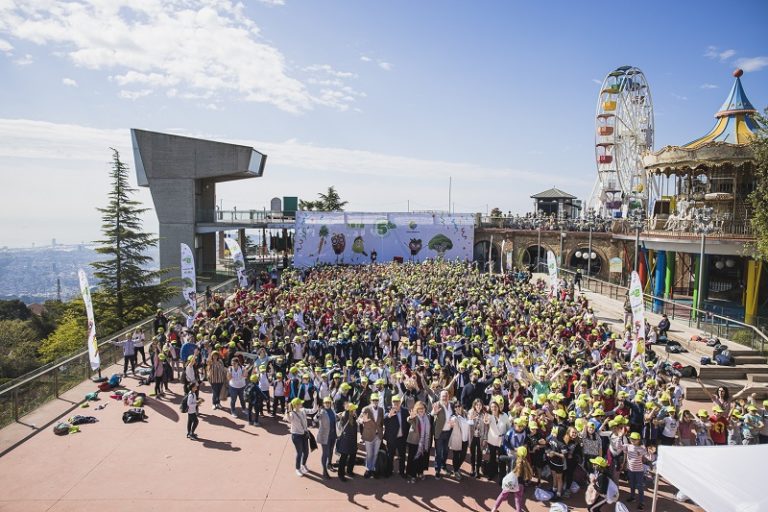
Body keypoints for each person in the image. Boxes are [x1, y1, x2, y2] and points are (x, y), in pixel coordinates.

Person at [490, 445, 534, 512]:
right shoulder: (526, 463)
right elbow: (528, 476)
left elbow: (501, 457)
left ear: (518, 452)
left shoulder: (512, 458)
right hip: (520, 485)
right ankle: (518, 510)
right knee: (518, 499)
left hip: (510, 482)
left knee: (502, 495)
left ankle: (494, 508)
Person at [622, 432, 655, 510]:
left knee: (640, 487)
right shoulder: (627, 446)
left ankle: (641, 502)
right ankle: (632, 497)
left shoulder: (642, 448)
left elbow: (650, 458)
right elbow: (618, 447)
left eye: (635, 439)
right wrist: (620, 436)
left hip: (639, 471)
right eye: (631, 439)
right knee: (632, 485)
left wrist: (650, 453)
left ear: (638, 440)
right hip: (630, 470)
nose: (632, 440)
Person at [359, 392, 385, 478]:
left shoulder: (381, 410)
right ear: (370, 400)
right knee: (369, 454)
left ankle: (373, 469)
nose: (375, 401)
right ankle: (368, 469)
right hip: (369, 435)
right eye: (373, 400)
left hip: (378, 435)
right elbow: (359, 419)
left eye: (376, 400)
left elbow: (381, 422)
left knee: (375, 453)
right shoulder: (365, 409)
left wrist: (382, 430)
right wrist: (363, 421)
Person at [384, 394, 409, 478]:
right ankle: (389, 471)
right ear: (391, 402)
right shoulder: (388, 410)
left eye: (397, 402)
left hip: (402, 438)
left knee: (402, 456)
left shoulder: (405, 411)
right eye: (394, 402)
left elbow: (408, 424)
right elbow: (383, 421)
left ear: (400, 402)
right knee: (390, 456)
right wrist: (388, 416)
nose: (396, 404)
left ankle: (402, 472)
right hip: (391, 439)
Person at [406, 400, 431, 483]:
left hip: (424, 442)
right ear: (416, 409)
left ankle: (420, 472)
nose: (421, 410)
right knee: (413, 459)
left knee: (421, 458)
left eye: (422, 408)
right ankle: (413, 475)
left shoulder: (427, 417)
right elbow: (409, 420)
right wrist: (410, 417)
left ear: (425, 409)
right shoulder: (415, 416)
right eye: (419, 408)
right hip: (414, 441)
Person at [431, 389, 453, 479]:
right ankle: (437, 470)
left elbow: (454, 414)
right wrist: (434, 412)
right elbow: (432, 414)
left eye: (446, 396)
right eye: (443, 396)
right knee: (438, 452)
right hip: (439, 433)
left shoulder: (451, 405)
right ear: (440, 397)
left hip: (448, 432)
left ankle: (443, 465)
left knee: (446, 451)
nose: (445, 397)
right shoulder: (437, 404)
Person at [286, 397, 309, 476]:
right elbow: (289, 419)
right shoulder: (292, 414)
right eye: (300, 403)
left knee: (306, 452)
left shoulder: (302, 411)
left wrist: (315, 399)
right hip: (296, 436)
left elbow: (313, 410)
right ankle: (297, 468)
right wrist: (288, 411)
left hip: (304, 435)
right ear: (296, 405)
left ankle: (303, 465)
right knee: (299, 453)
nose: (302, 404)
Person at [336, 402, 359, 482]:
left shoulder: (352, 416)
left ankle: (349, 471)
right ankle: (341, 474)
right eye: (354, 409)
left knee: (352, 456)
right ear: (351, 410)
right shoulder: (345, 416)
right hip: (346, 441)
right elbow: (343, 415)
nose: (355, 410)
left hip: (352, 440)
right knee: (344, 458)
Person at [316, 395, 337, 479]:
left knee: (331, 450)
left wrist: (339, 416)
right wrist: (317, 414)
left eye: (329, 402)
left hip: (333, 435)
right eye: (326, 403)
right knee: (325, 453)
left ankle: (329, 464)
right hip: (325, 436)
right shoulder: (322, 412)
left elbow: (334, 419)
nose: (328, 404)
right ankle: (324, 471)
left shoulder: (332, 410)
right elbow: (315, 419)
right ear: (323, 404)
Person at [467, 398, 488, 478]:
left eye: (480, 405)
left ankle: (477, 470)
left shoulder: (484, 414)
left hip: (480, 437)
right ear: (474, 405)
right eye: (477, 405)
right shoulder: (470, 412)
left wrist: (485, 438)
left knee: (479, 454)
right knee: (472, 453)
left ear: (482, 406)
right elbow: (468, 424)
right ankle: (472, 468)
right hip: (472, 437)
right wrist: (471, 419)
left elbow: (486, 427)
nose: (478, 406)